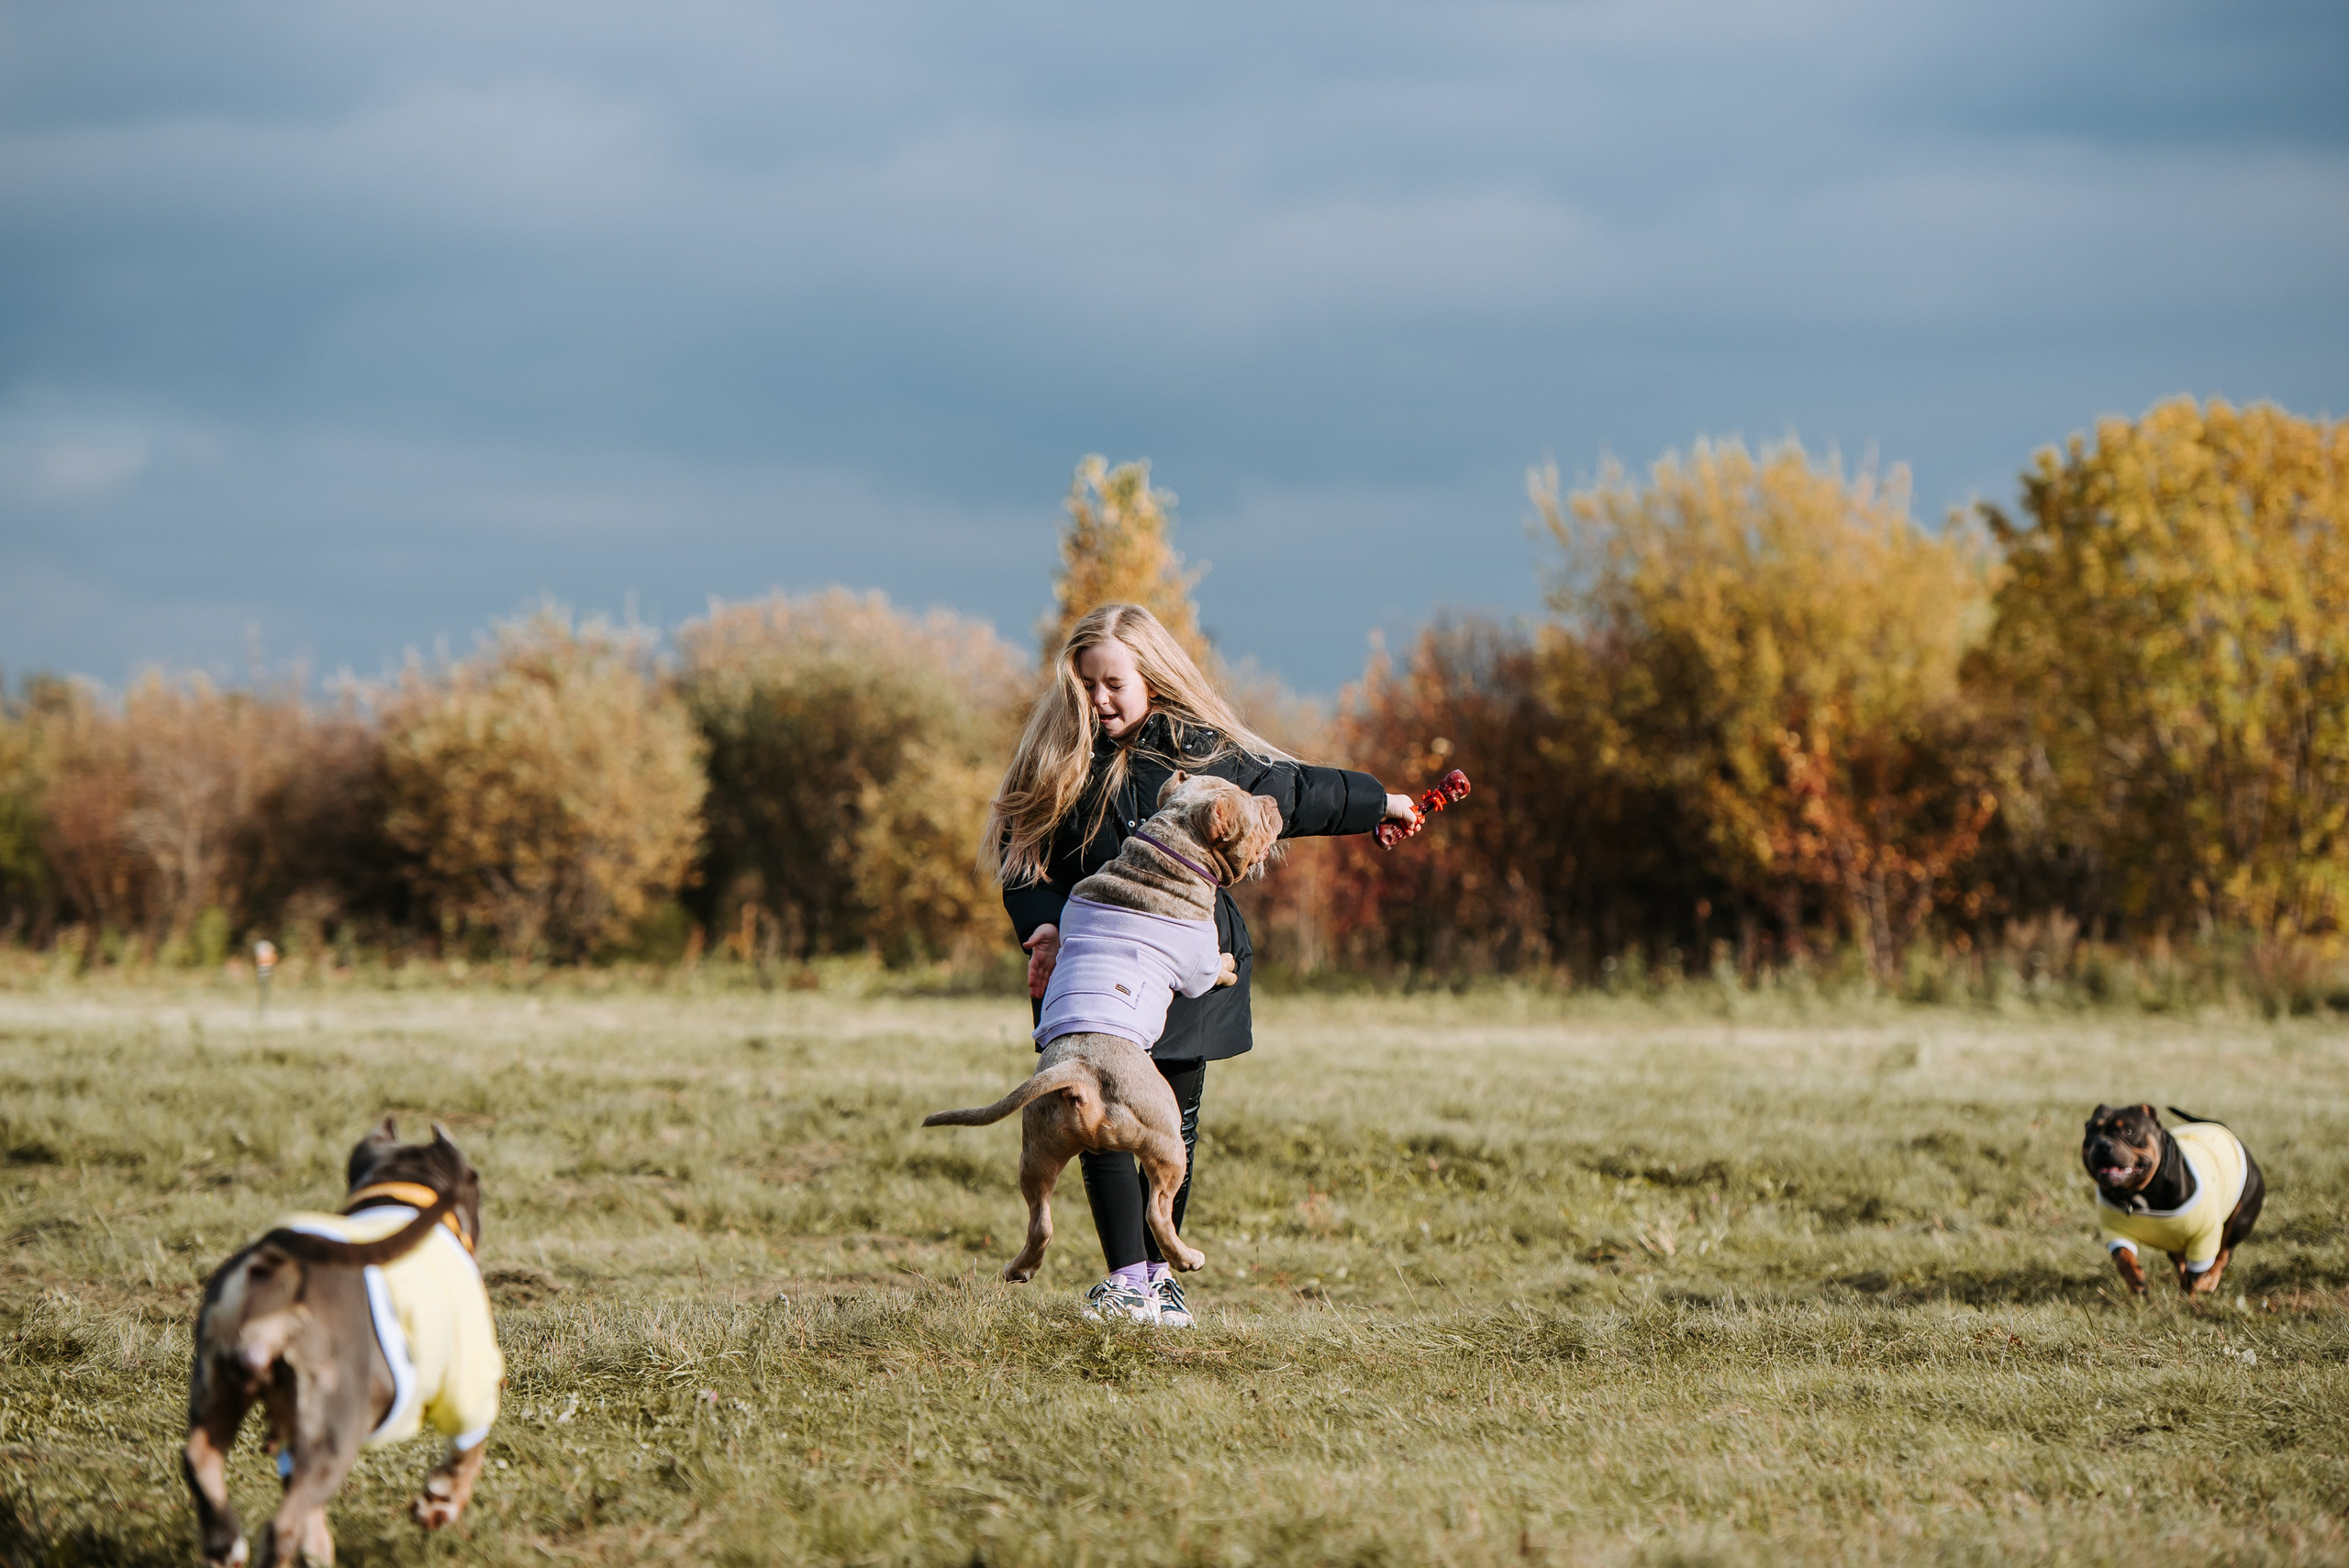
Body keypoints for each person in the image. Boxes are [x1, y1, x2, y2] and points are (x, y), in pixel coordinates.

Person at [981, 603, 1421, 1326]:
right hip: (1091, 969)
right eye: (1085, 685)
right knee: (1094, 1115)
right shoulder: (1057, 761)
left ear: (1151, 674)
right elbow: (1019, 863)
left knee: (1169, 1123)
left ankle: (1159, 1280)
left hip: (1191, 961)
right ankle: (1127, 1280)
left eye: (1114, 683)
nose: (1099, 699)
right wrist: (1042, 930)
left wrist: (1382, 802)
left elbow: (1297, 789)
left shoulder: (1205, 752)